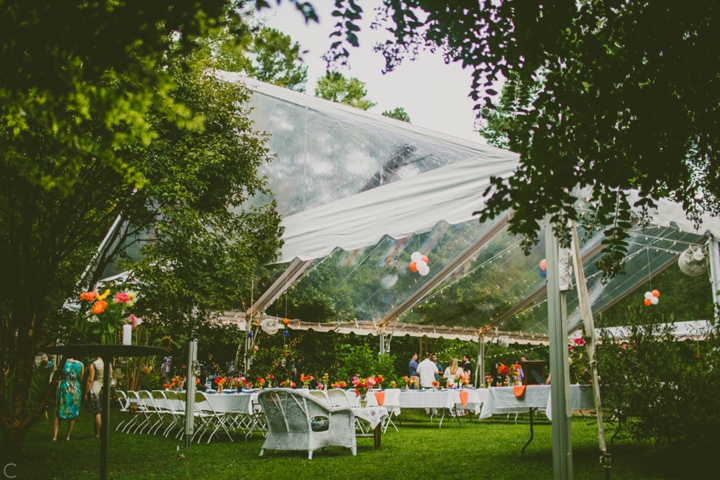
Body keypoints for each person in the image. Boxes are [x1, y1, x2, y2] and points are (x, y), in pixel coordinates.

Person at [53, 357, 84, 441]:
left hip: (64, 388)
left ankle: (55, 436)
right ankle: (68, 436)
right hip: (75, 389)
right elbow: (81, 378)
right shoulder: (81, 364)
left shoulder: (63, 362)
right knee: (72, 413)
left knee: (59, 411)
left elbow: (59, 375)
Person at [85, 357, 111, 439]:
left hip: (96, 389)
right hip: (105, 389)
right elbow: (110, 376)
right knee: (104, 412)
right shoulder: (108, 363)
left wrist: (86, 392)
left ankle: (97, 434)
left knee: (97, 412)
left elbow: (91, 379)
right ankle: (104, 432)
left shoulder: (94, 364)